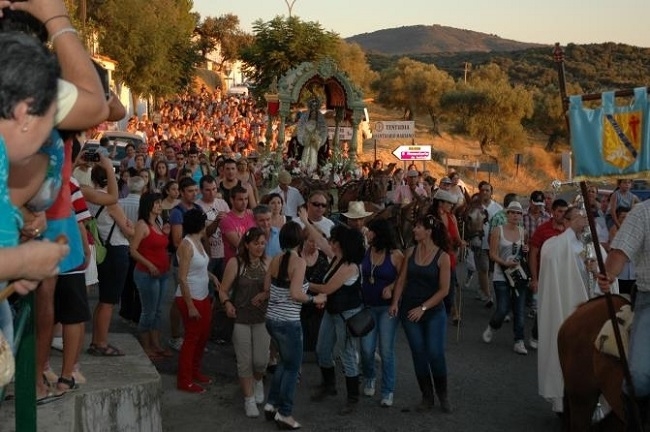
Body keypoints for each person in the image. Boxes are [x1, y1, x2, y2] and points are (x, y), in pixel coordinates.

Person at [537, 206, 617, 413]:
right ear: (567, 221)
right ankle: (562, 400)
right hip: (566, 307)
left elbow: (609, 280)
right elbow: (552, 260)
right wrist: (571, 231)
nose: (584, 221)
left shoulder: (597, 248)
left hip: (593, 311)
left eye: (586, 217)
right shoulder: (553, 244)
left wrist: (597, 271)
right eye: (580, 217)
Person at [263, 222, 327, 429]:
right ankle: (285, 412)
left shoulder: (275, 260)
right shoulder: (298, 263)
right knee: (292, 368)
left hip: (271, 320)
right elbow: (296, 294)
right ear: (299, 240)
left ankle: (272, 404)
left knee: (284, 362)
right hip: (289, 322)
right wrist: (315, 299)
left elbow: (267, 288)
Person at [390, 214, 453, 413]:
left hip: (432, 311)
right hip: (410, 311)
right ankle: (427, 397)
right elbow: (402, 280)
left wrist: (423, 308)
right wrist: (395, 302)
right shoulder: (410, 252)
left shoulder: (443, 257)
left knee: (435, 353)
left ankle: (443, 394)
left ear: (428, 231)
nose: (414, 230)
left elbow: (444, 290)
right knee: (418, 354)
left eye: (418, 227)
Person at [599, 199, 650, 430]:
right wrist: (610, 273)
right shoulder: (643, 212)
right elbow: (620, 251)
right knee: (638, 378)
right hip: (649, 300)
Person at [309, 225, 366, 415]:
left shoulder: (349, 267)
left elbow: (326, 289)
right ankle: (329, 385)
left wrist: (304, 284)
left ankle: (352, 398)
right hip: (334, 313)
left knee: (347, 355)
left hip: (346, 316)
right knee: (322, 349)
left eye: (333, 241)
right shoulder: (337, 258)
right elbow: (319, 240)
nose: (330, 243)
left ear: (340, 244)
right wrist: (306, 221)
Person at [218, 226, 270, 418]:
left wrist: (264, 293)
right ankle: (248, 399)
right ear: (247, 245)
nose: (260, 247)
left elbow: (274, 290)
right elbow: (223, 290)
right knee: (244, 362)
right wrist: (227, 303)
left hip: (262, 318)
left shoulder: (268, 264)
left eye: (263, 243)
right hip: (240, 318)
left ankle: (258, 381)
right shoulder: (235, 263)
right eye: (256, 243)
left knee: (260, 361)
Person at [87, 165, 134, 357]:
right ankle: (101, 343)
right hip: (116, 250)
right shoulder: (110, 202)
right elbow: (129, 230)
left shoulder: (90, 197)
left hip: (102, 249)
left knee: (103, 299)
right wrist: (130, 226)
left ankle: (96, 340)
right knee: (109, 301)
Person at [360, 218, 403, 407]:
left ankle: (387, 391)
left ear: (378, 233)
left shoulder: (395, 255)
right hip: (367, 306)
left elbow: (404, 279)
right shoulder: (367, 251)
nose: (367, 233)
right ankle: (369, 376)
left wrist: (392, 289)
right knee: (367, 349)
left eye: (370, 231)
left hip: (387, 309)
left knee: (386, 350)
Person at [175, 208, 218, 393]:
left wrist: (211, 276)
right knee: (192, 338)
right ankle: (184, 379)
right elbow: (182, 277)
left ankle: (194, 371)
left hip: (202, 294)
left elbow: (197, 267)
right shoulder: (186, 245)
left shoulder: (197, 241)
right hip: (190, 297)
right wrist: (190, 306)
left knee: (203, 336)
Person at [482, 201, 529, 355]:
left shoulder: (523, 232)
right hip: (501, 275)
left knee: (519, 309)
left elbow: (523, 252)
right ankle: (492, 326)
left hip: (518, 275)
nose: (516, 215)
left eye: (519, 213)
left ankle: (519, 340)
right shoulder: (498, 230)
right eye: (513, 212)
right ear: (507, 214)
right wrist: (504, 263)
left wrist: (525, 251)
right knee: (502, 309)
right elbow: (492, 254)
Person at [129, 192, 172, 360]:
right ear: (149, 205)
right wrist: (149, 264)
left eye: (160, 203)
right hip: (147, 273)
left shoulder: (157, 223)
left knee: (158, 311)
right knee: (149, 311)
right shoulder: (142, 224)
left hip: (162, 273)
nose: (160, 206)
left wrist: (166, 234)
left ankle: (156, 344)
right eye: (157, 203)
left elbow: (158, 246)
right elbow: (133, 249)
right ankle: (146, 346)